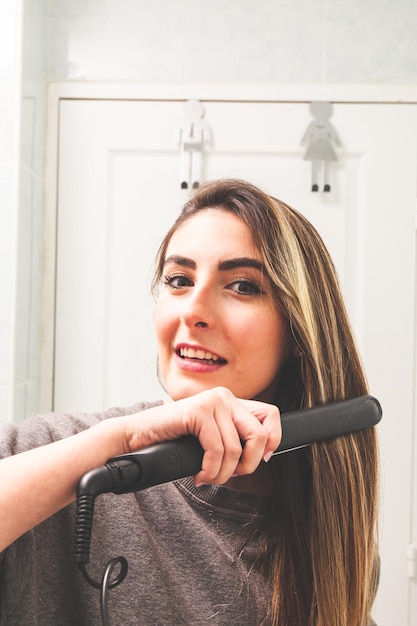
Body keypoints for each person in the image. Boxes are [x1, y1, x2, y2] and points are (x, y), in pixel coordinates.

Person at [0, 179, 379, 625]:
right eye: (179, 280)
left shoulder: (330, 528)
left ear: (298, 330)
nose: (192, 310)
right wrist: (124, 437)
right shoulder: (53, 452)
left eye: (241, 286)